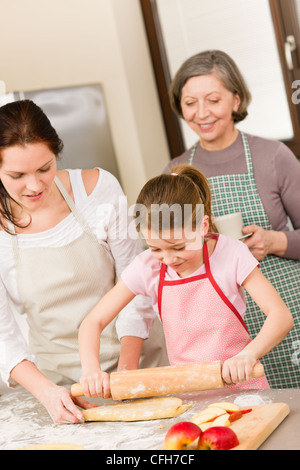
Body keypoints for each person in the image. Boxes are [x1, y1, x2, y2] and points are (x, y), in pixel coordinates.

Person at [0, 99, 168, 423]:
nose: (34, 186)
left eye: (44, 168)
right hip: (60, 389)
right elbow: (3, 336)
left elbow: (137, 286)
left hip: (136, 368)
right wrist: (49, 393)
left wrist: (126, 375)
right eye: (17, 175)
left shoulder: (98, 190)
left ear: (57, 154)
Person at [78, 164, 294, 398]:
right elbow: (92, 322)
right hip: (190, 396)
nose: (168, 258)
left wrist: (247, 355)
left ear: (202, 226)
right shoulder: (147, 266)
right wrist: (91, 370)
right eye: (155, 248)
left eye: (179, 247)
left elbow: (280, 316)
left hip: (244, 390)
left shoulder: (231, 253)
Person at [164, 50, 300, 388]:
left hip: (286, 312)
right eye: (190, 102)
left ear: (236, 100)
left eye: (213, 100)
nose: (202, 113)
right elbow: (166, 254)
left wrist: (274, 241)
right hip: (222, 327)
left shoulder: (273, 157)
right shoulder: (176, 172)